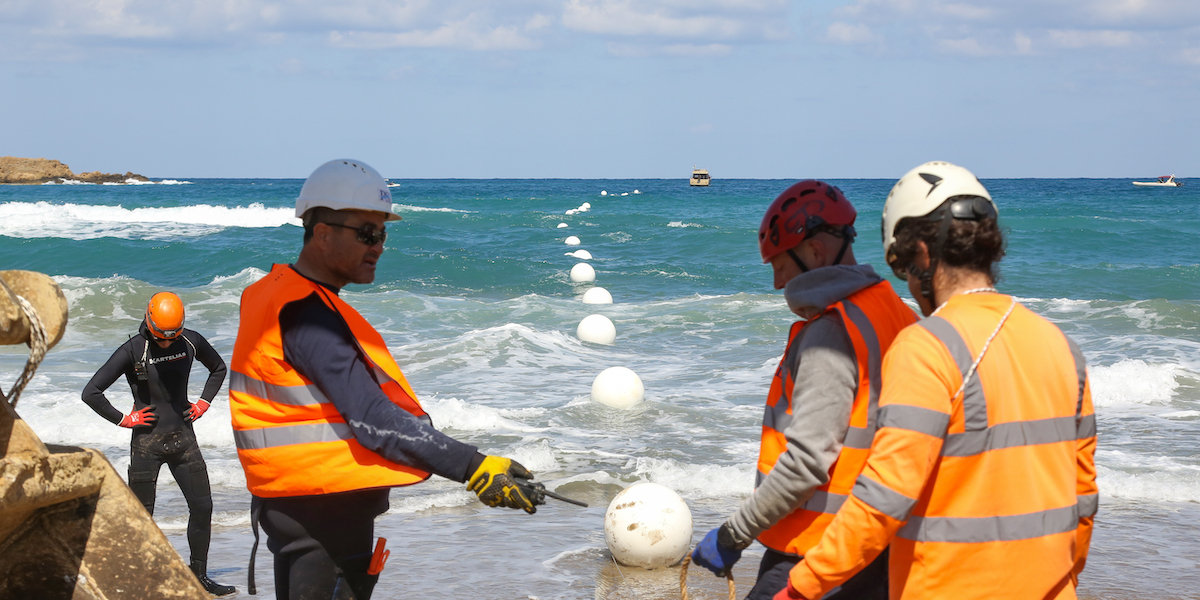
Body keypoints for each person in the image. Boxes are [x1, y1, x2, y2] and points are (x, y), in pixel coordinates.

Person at [777, 162, 1098, 600]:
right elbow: (1083, 499)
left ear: (923, 255)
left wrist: (802, 586)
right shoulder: (1062, 346)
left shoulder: (926, 345)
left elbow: (885, 497)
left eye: (904, 268)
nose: (909, 285)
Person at [229, 159, 543, 600]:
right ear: (322, 233)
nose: (378, 246)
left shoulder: (272, 293)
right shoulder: (308, 316)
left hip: (297, 505)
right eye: (366, 234)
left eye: (382, 234)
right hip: (325, 517)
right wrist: (475, 468)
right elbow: (373, 418)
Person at [690, 180, 917, 599]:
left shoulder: (831, 332)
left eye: (780, 266)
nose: (778, 284)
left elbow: (806, 464)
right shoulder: (899, 314)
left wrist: (732, 535)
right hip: (882, 548)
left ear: (814, 252)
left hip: (818, 554)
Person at [81, 291, 237, 596]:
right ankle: (136, 581)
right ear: (149, 321)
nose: (166, 342)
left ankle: (199, 576)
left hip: (184, 441)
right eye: (161, 337)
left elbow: (219, 368)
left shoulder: (190, 341)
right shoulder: (132, 349)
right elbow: (91, 392)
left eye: (171, 337)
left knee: (203, 507)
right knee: (141, 517)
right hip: (146, 446)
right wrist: (125, 419)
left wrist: (204, 402)